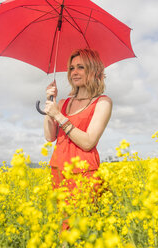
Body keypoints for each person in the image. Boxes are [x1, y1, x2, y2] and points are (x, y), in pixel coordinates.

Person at [43, 48, 112, 193]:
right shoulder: (62, 103)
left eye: (81, 67)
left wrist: (58, 116)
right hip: (58, 171)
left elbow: (88, 143)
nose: (74, 72)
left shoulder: (102, 102)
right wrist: (50, 102)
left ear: (94, 70)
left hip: (84, 173)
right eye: (71, 68)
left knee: (85, 215)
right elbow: (49, 137)